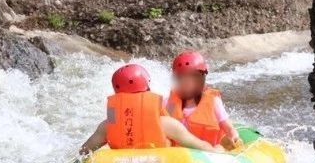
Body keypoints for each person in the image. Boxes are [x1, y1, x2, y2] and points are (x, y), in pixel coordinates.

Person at [80, 64, 225, 154]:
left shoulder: (106, 126)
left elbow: (84, 151)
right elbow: (199, 146)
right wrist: (217, 150)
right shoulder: (166, 124)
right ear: (146, 87)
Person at [164, 50, 243, 149]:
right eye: (182, 77)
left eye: (193, 77)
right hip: (180, 154)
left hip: (211, 151)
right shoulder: (169, 102)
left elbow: (229, 129)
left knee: (220, 148)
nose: (186, 82)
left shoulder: (213, 101)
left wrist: (234, 138)